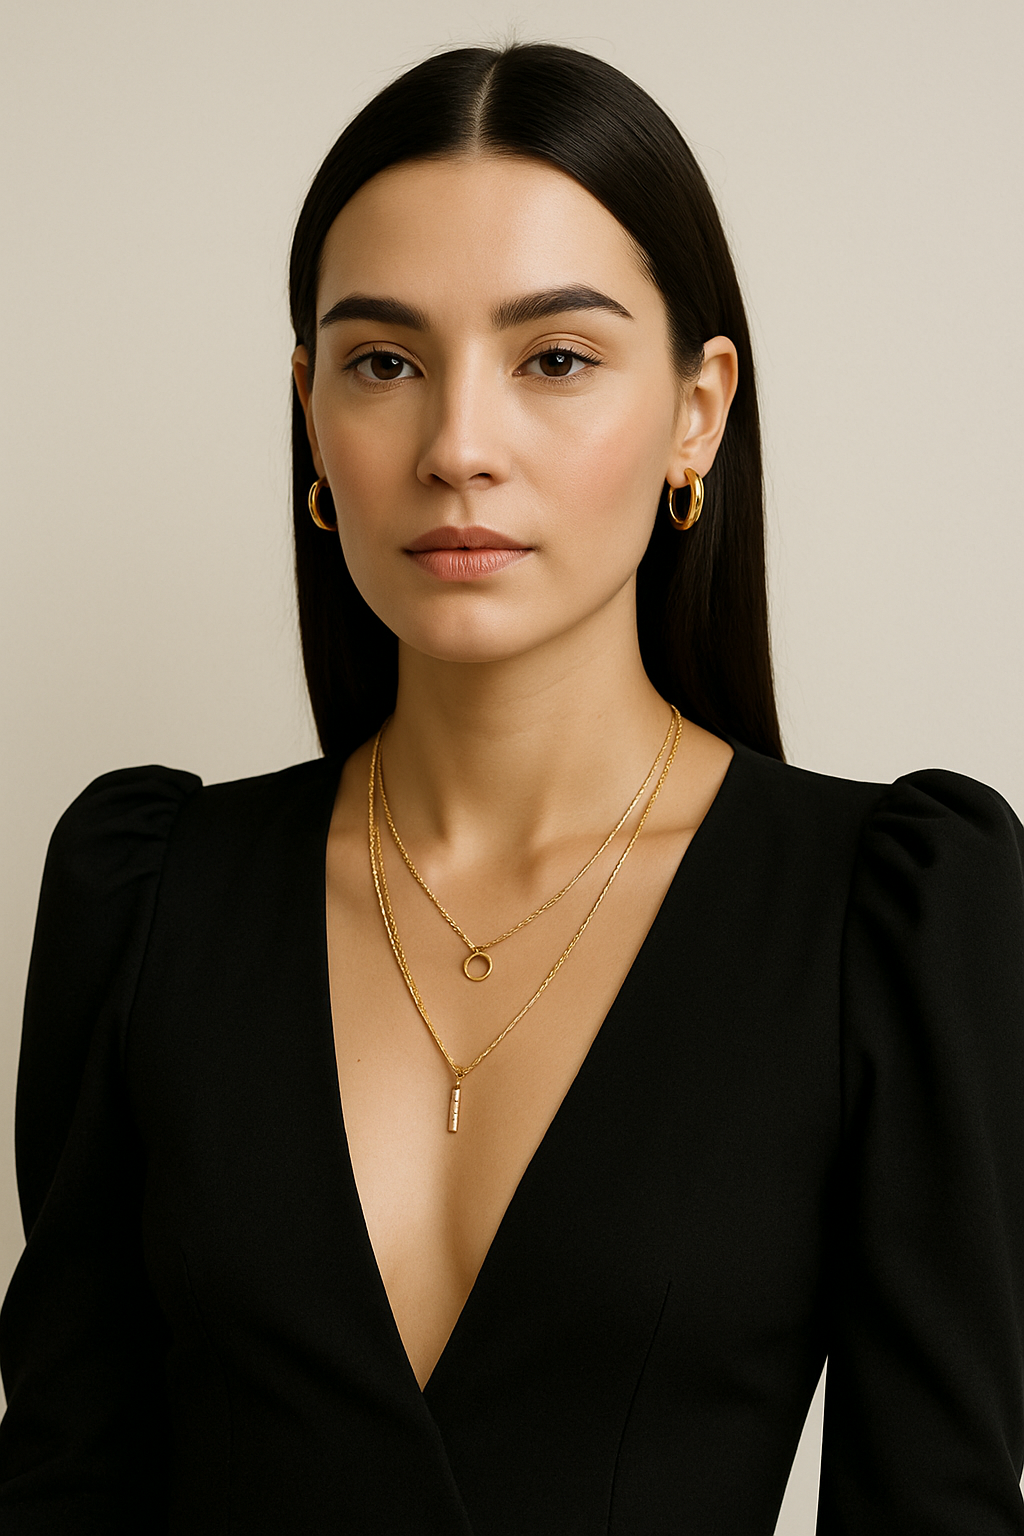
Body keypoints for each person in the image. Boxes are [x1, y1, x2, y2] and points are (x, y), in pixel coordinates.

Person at [1, 37, 1022, 1535]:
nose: (459, 447)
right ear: (311, 414)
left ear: (698, 409)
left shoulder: (890, 912)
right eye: (384, 362)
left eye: (555, 357)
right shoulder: (148, 892)